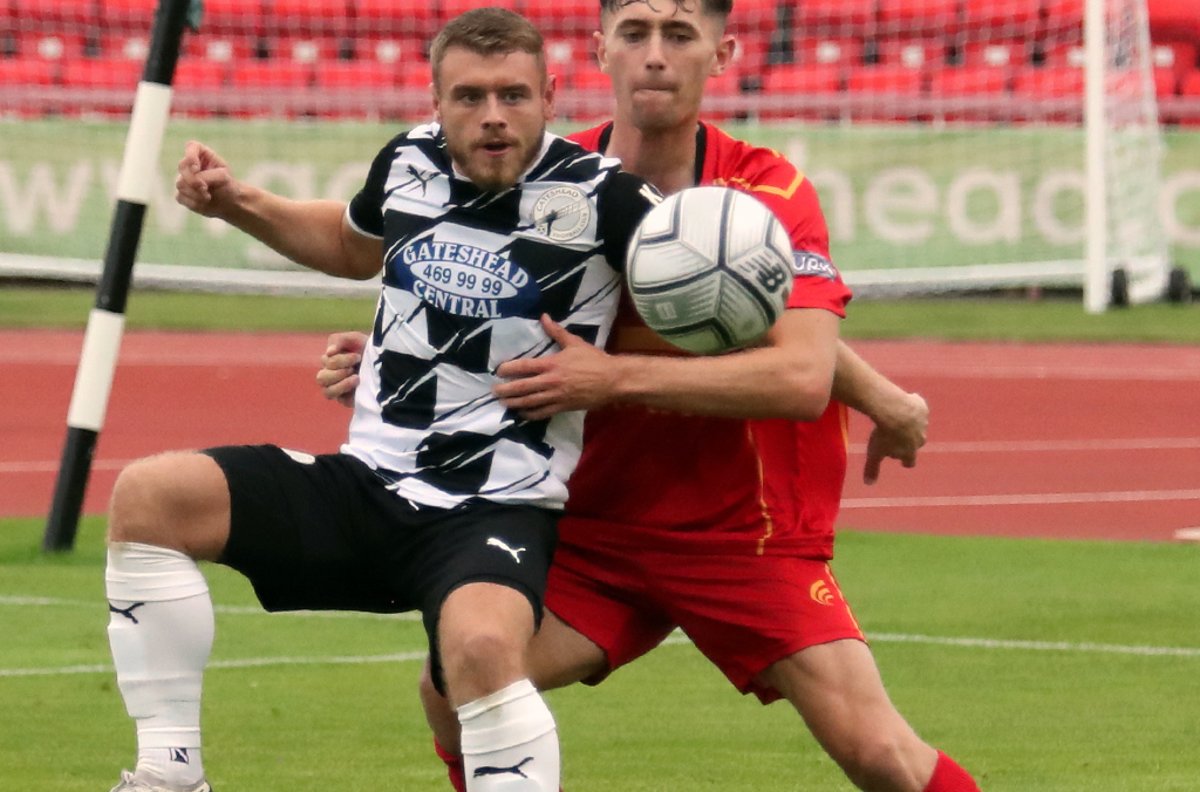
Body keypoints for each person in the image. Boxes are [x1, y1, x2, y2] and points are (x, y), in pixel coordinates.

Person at [318, 2, 980, 792]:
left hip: (742, 534)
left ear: (722, 53)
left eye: (678, 35)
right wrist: (401, 360)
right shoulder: (552, 172)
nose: (655, 55)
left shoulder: (764, 190)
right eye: (634, 33)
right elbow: (480, 304)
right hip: (593, 525)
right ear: (600, 49)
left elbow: (800, 372)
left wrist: (616, 378)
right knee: (453, 686)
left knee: (881, 756)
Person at [102, 9, 669, 792]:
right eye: (469, 97)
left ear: (549, 95)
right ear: (436, 103)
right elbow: (350, 244)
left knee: (480, 650)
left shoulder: (610, 198)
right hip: (370, 484)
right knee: (151, 497)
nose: (493, 116)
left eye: (513, 95)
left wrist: (615, 377)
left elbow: (722, 315)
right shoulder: (408, 160)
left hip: (493, 506)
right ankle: (169, 776)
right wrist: (236, 202)